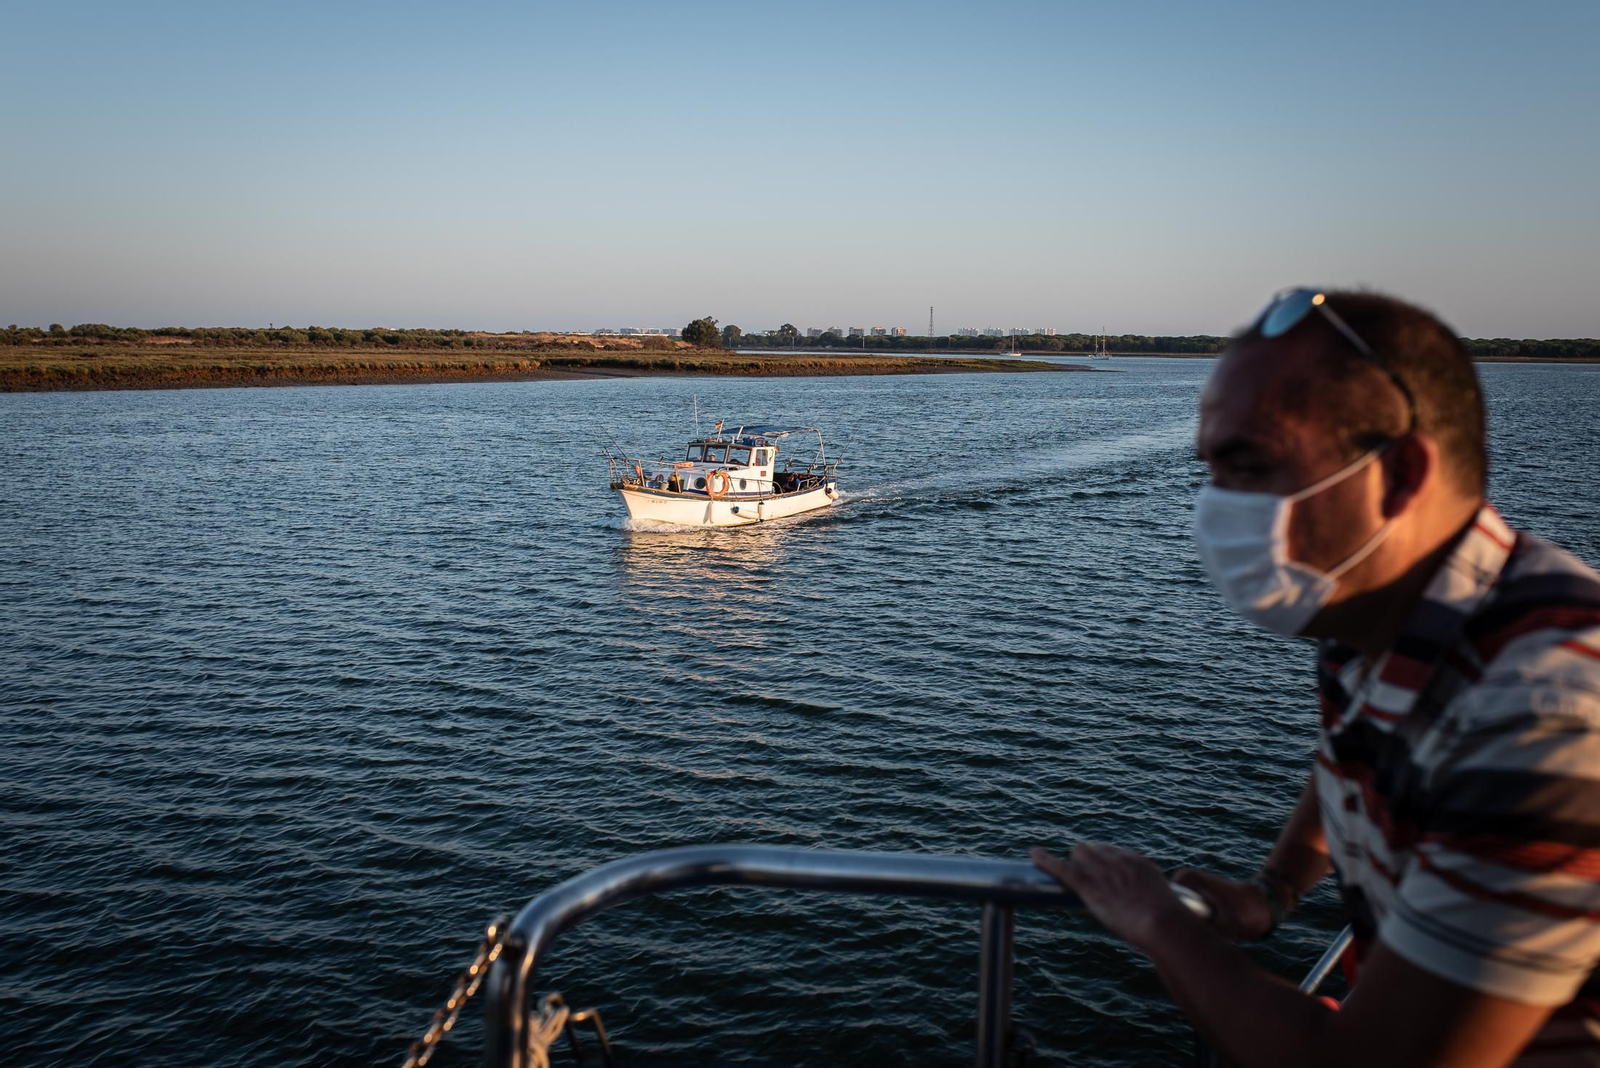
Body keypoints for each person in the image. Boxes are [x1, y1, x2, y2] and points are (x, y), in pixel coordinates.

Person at [1033, 289, 1600, 1067]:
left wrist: (1157, 922)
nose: (1213, 510)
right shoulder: (1380, 618)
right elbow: (1350, 751)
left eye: (1250, 466)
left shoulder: (1546, 711)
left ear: (1399, 474)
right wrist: (1275, 888)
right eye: (1210, 470)